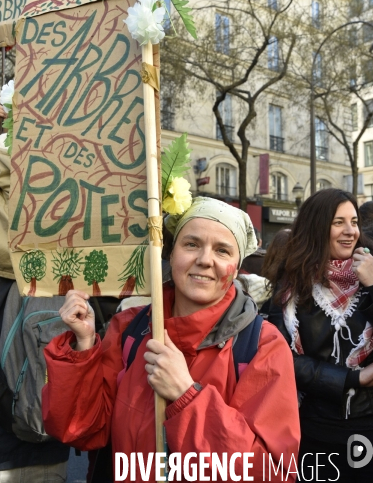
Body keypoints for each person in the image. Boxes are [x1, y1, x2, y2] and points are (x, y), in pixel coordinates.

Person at [42, 197, 300, 482]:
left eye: (222, 250)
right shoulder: (128, 328)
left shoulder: (263, 346)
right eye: (191, 244)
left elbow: (270, 472)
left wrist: (186, 396)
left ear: (237, 266)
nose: (204, 259)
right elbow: (79, 428)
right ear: (171, 253)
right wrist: (83, 347)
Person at [0, 104, 69, 481]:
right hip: (58, 275)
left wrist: (6, 135)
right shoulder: (91, 143)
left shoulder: (14, 140)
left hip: (1, 271)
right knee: (44, 357)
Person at [268, 188, 373, 481]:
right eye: (338, 222)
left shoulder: (372, 271)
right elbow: (280, 358)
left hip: (368, 425)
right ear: (317, 225)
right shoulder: (292, 284)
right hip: (311, 427)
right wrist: (353, 378)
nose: (350, 231)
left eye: (354, 221)